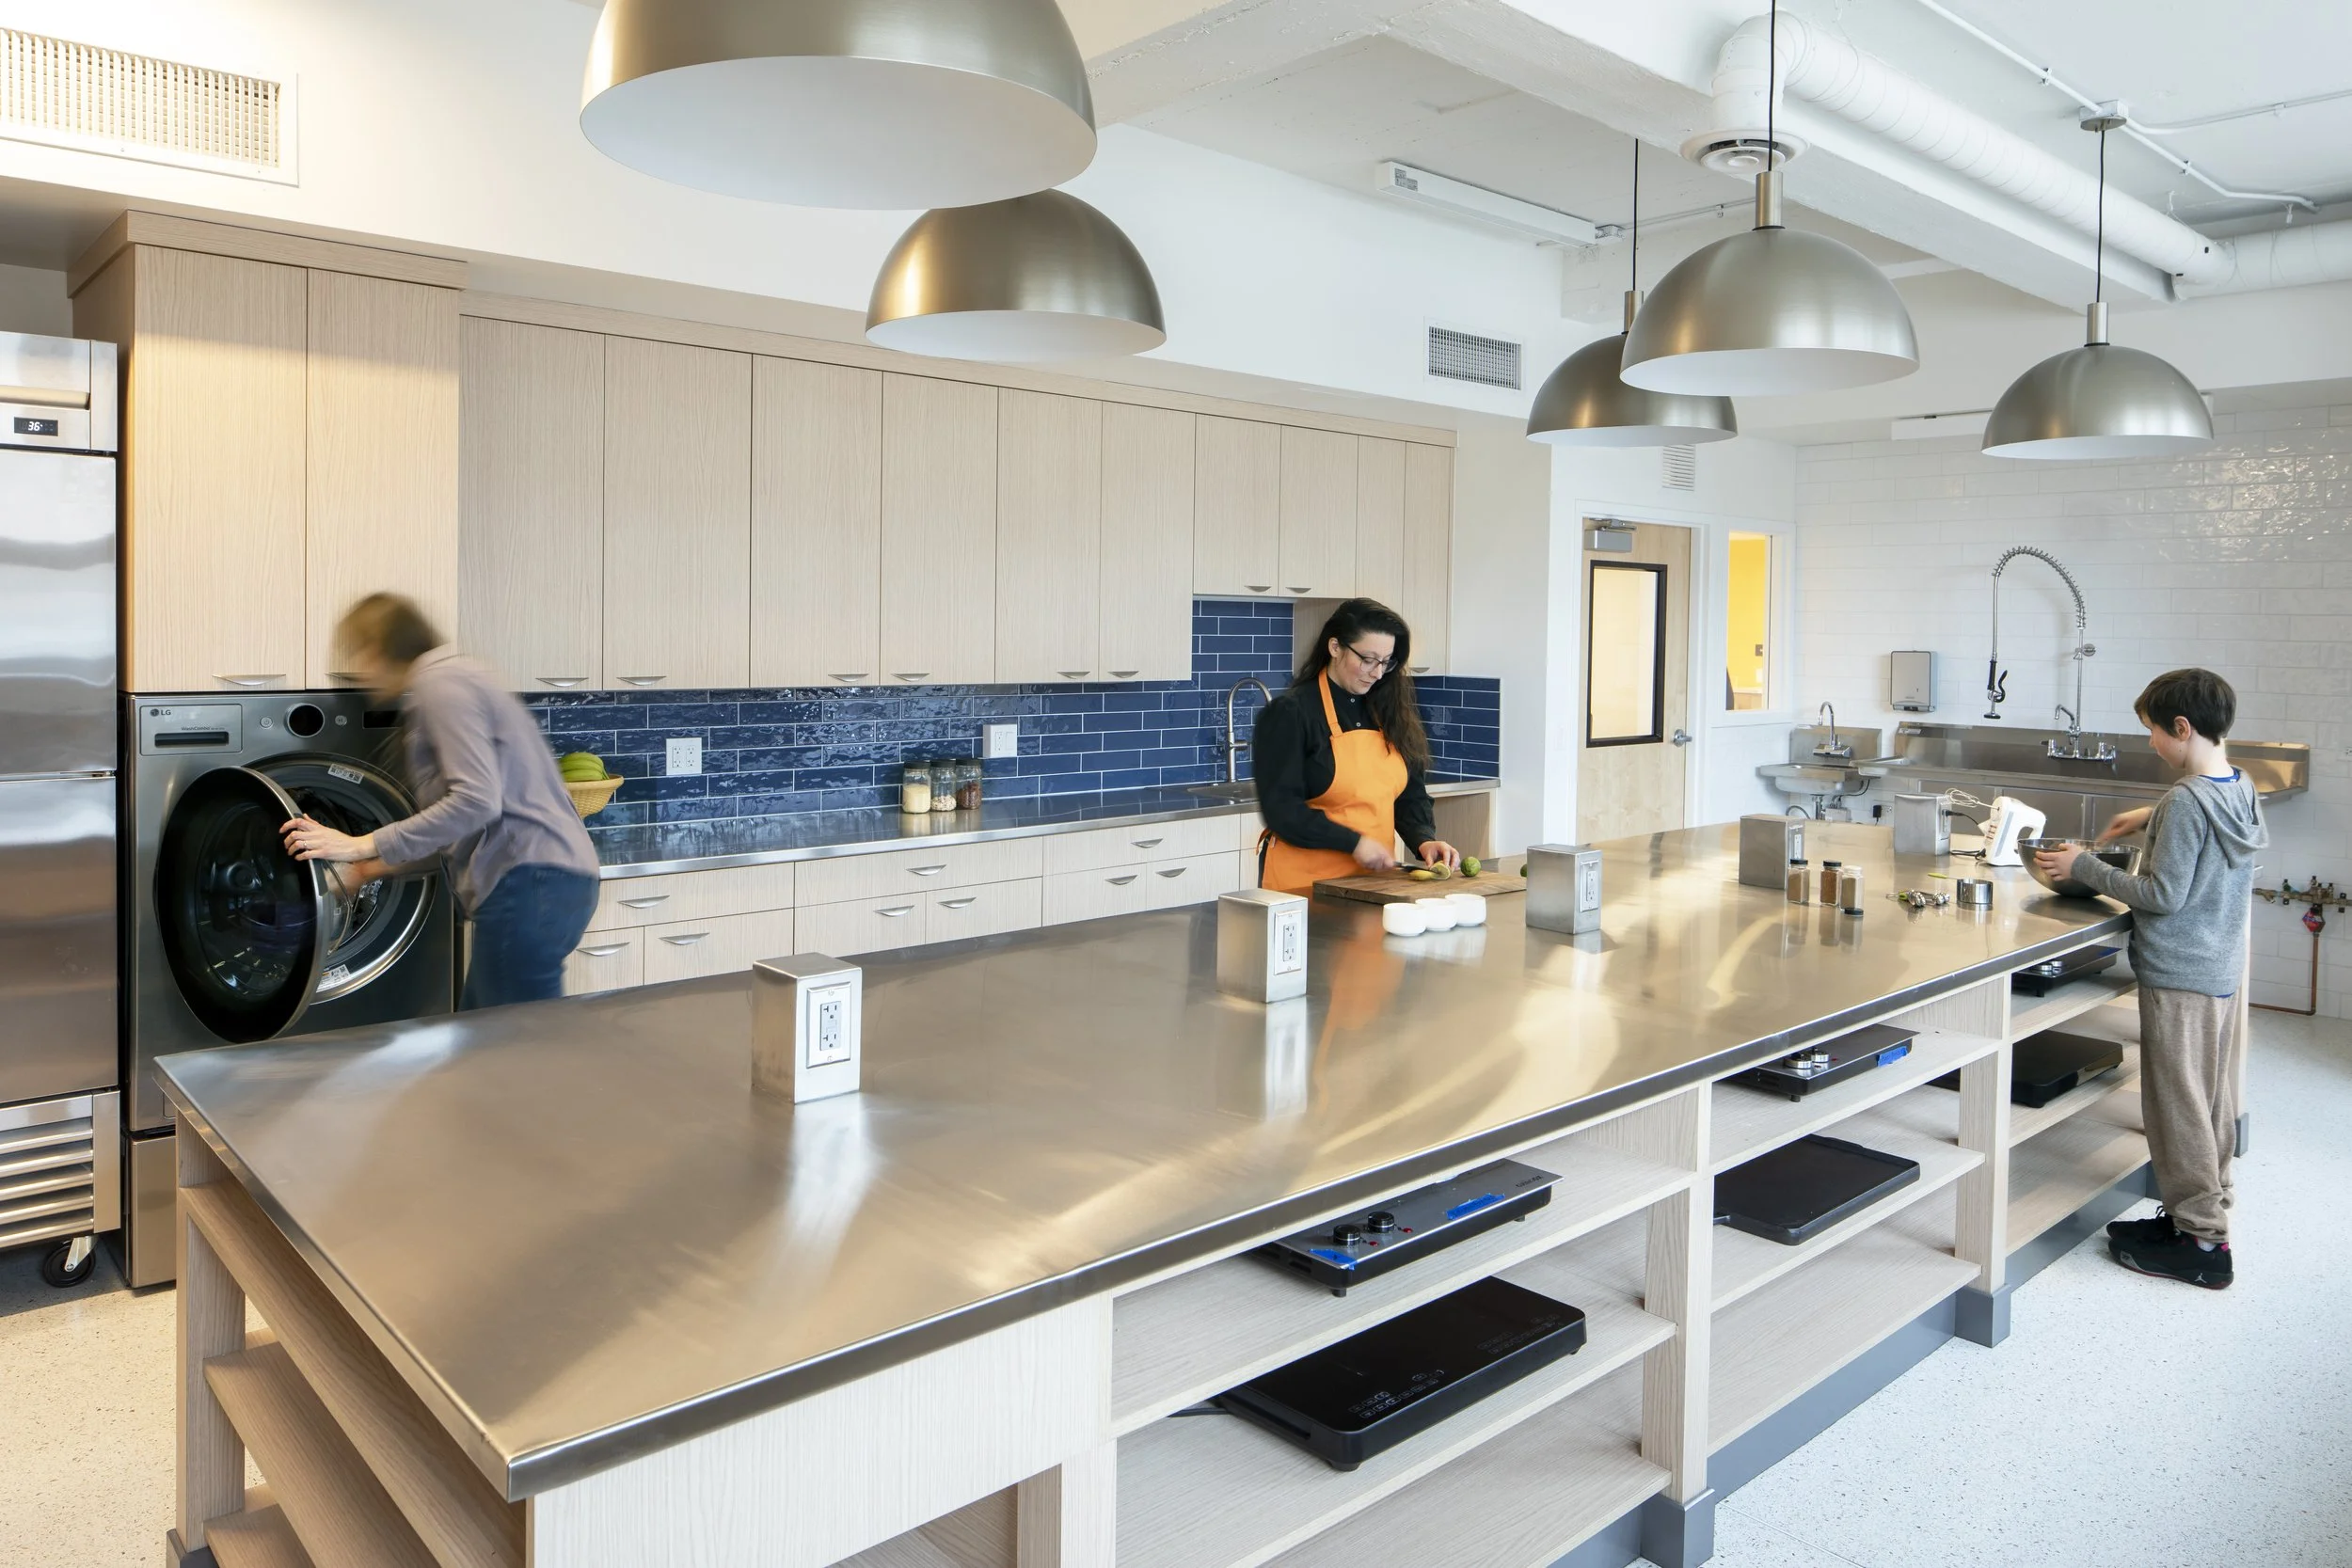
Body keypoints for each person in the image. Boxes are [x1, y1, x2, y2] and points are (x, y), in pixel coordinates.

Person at [2036, 668, 2266, 1290]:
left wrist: (2083, 864)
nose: (2151, 745)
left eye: (2154, 734)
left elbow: (2162, 895)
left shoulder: (2187, 800)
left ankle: (2201, 1245)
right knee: (2206, 1098)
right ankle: (2200, 1213)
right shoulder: (2236, 785)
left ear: (2182, 727)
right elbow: (2206, 832)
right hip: (2217, 966)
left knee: (2177, 1105)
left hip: (2179, 971)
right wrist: (2152, 815)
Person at [280, 594, 602, 1009]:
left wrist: (361, 844)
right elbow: (460, 827)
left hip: (528, 882)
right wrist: (366, 869)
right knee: (491, 1039)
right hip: (552, 882)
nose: (359, 671)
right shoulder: (458, 679)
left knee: (514, 1050)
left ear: (378, 647)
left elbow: (475, 802)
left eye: (358, 652)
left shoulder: (440, 684)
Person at [1252, 598, 1461, 895]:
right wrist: (1354, 843)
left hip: (1373, 885)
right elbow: (1282, 811)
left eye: (1387, 662)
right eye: (1368, 659)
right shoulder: (1290, 713)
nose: (1377, 673)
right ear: (1335, 647)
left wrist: (1424, 839)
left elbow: (1409, 793)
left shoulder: (1390, 710)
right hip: (1304, 888)